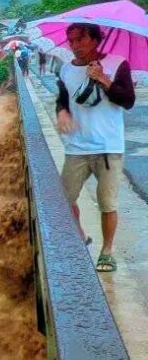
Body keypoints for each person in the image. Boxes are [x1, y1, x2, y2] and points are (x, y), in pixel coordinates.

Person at [55, 23, 136, 272]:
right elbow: (62, 100)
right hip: (76, 147)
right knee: (62, 200)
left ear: (95, 39)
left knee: (107, 202)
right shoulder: (66, 69)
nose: (75, 45)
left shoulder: (116, 63)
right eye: (71, 40)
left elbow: (128, 101)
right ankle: (79, 235)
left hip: (108, 147)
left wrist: (102, 78)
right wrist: (61, 113)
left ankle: (107, 251)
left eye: (80, 39)